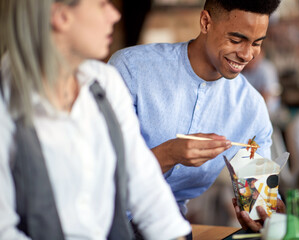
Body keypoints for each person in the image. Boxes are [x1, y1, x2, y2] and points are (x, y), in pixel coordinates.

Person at [0, 0, 191, 239]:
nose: (115, 15)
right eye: (102, 4)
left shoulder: (105, 82)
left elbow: (145, 184)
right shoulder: (6, 103)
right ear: (61, 15)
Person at [109, 0, 284, 232]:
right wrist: (169, 153)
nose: (246, 54)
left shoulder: (251, 108)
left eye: (257, 43)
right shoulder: (131, 70)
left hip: (170, 227)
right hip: (104, 218)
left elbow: (259, 195)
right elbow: (102, 171)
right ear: (205, 22)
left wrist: (265, 210)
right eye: (235, 40)